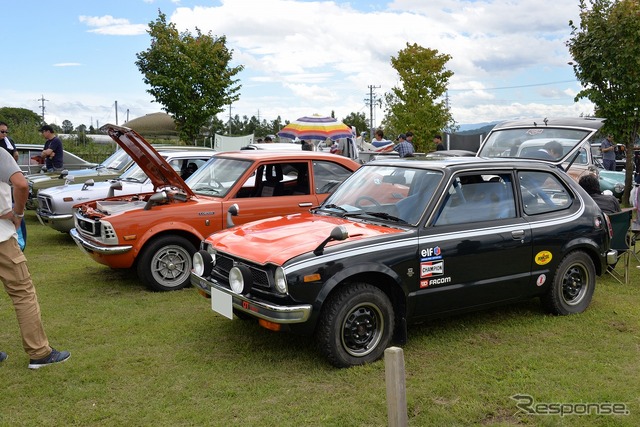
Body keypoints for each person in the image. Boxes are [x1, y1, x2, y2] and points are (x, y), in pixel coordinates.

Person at [0, 148, 70, 368]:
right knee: (23, 293)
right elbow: (21, 184)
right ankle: (39, 353)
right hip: (1, 240)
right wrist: (18, 214)